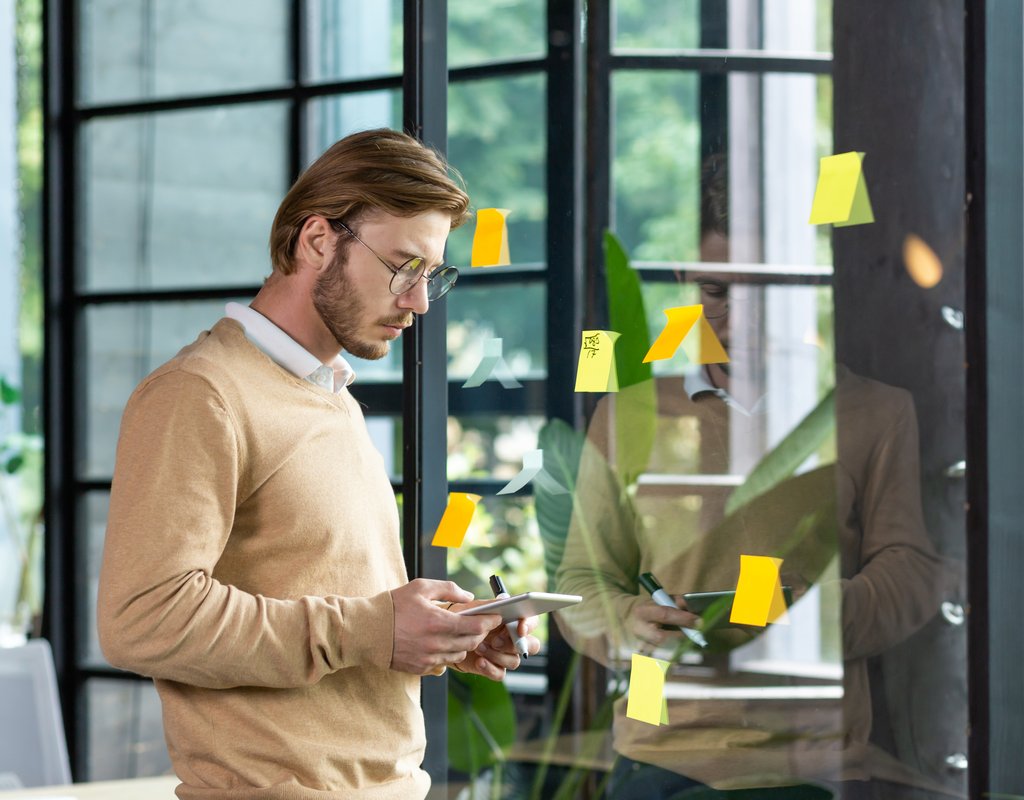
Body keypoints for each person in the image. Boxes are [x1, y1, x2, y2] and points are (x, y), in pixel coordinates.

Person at [97, 128, 540, 799]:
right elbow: (142, 620)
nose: (420, 302)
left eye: (433, 276)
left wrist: (440, 635)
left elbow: (328, 604)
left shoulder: (332, 397)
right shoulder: (201, 394)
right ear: (317, 241)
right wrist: (371, 629)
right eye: (403, 267)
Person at [554, 157, 945, 798]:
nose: (740, 321)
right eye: (716, 292)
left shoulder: (876, 412)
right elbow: (579, 582)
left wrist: (818, 618)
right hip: (655, 754)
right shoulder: (626, 415)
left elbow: (912, 570)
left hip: (811, 763)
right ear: (685, 278)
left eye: (765, 292)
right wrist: (630, 621)